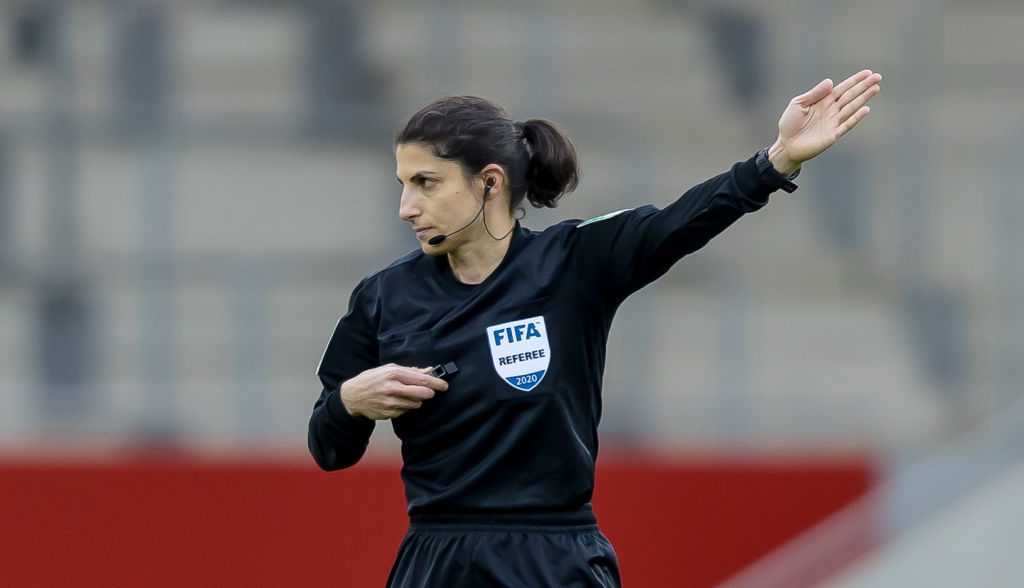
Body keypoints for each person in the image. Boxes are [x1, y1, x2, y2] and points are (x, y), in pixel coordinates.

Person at [308, 69, 882, 587]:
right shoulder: (384, 297)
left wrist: (776, 159)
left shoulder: (574, 262)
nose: (406, 206)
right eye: (403, 183)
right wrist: (350, 404)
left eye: (426, 183)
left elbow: (681, 221)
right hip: (438, 559)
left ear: (489, 182)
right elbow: (329, 447)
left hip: (555, 560)